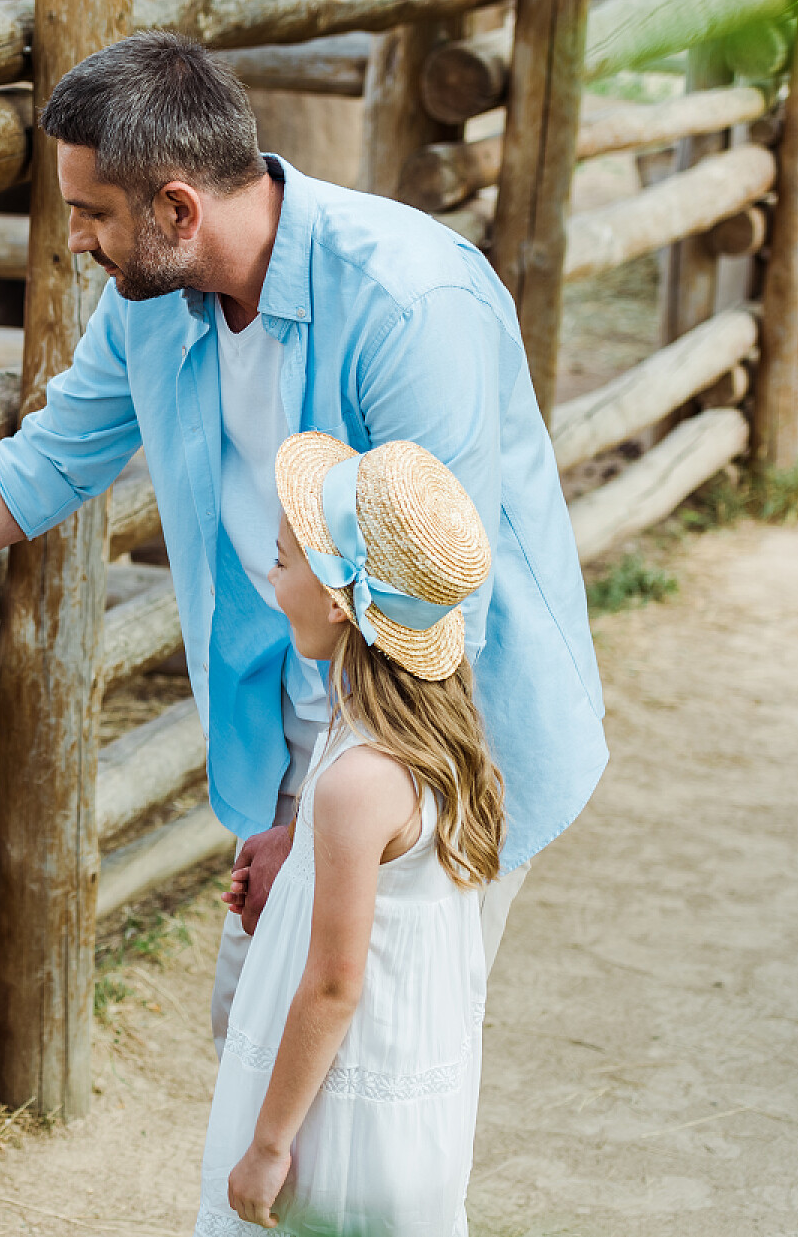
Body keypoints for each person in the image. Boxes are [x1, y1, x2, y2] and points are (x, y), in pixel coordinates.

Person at [0, 31, 606, 1044]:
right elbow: (46, 464)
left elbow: (440, 608)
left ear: (178, 207)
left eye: (92, 215)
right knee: (258, 1057)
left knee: (375, 1094)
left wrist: (315, 830)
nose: (75, 240)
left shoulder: (408, 304)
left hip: (437, 749)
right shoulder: (154, 298)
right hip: (299, 738)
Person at [198, 432, 499, 1235]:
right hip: (408, 1099)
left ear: (338, 600)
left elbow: (336, 985)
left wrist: (267, 1144)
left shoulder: (355, 780)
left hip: (338, 1129)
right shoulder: (429, 734)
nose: (272, 574)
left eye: (285, 558)